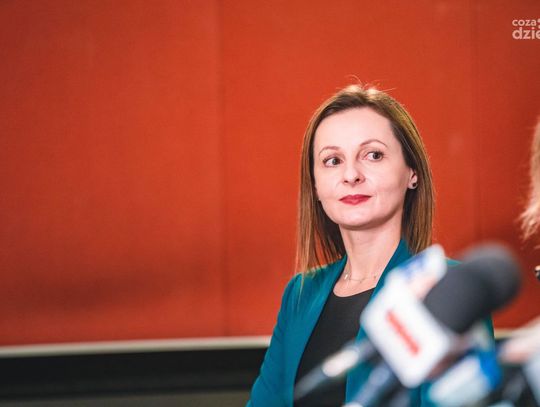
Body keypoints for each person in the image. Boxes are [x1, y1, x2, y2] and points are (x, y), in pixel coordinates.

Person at [248, 84, 436, 406]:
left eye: (373, 155)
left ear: (412, 172)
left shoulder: (442, 287)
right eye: (333, 160)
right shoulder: (300, 294)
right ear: (315, 185)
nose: (351, 175)